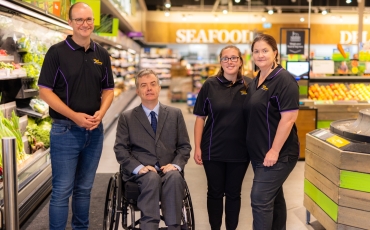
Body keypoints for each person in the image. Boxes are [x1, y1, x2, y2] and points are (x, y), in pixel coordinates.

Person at [38, 2, 114, 229]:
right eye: (79, 20)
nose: (85, 24)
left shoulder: (102, 53)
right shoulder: (56, 52)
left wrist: (101, 112)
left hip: (94, 131)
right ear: (70, 23)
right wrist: (74, 116)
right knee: (62, 190)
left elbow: (109, 89)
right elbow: (45, 91)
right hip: (65, 131)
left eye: (89, 19)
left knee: (84, 189)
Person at [114, 69, 191, 230]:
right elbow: (121, 149)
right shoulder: (127, 117)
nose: (149, 88)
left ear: (159, 87)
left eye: (152, 84)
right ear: (138, 91)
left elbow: (184, 146)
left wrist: (175, 165)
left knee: (175, 177)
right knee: (151, 178)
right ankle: (149, 225)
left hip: (168, 169)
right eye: (143, 85)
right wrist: (139, 168)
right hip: (141, 174)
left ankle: (174, 226)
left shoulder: (175, 114)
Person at [243, 33, 299, 229]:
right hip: (259, 153)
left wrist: (274, 150)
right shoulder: (255, 80)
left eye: (265, 50)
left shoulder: (284, 80)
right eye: (256, 51)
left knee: (259, 199)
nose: (260, 55)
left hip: (280, 154)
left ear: (275, 52)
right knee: (274, 199)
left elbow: (289, 118)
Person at [193, 45, 251, 230]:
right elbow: (200, 118)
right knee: (215, 193)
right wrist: (197, 147)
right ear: (221, 62)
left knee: (234, 194)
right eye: (226, 58)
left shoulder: (250, 85)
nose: (230, 62)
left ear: (241, 61)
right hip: (213, 149)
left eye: (234, 58)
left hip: (240, 150)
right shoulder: (210, 85)